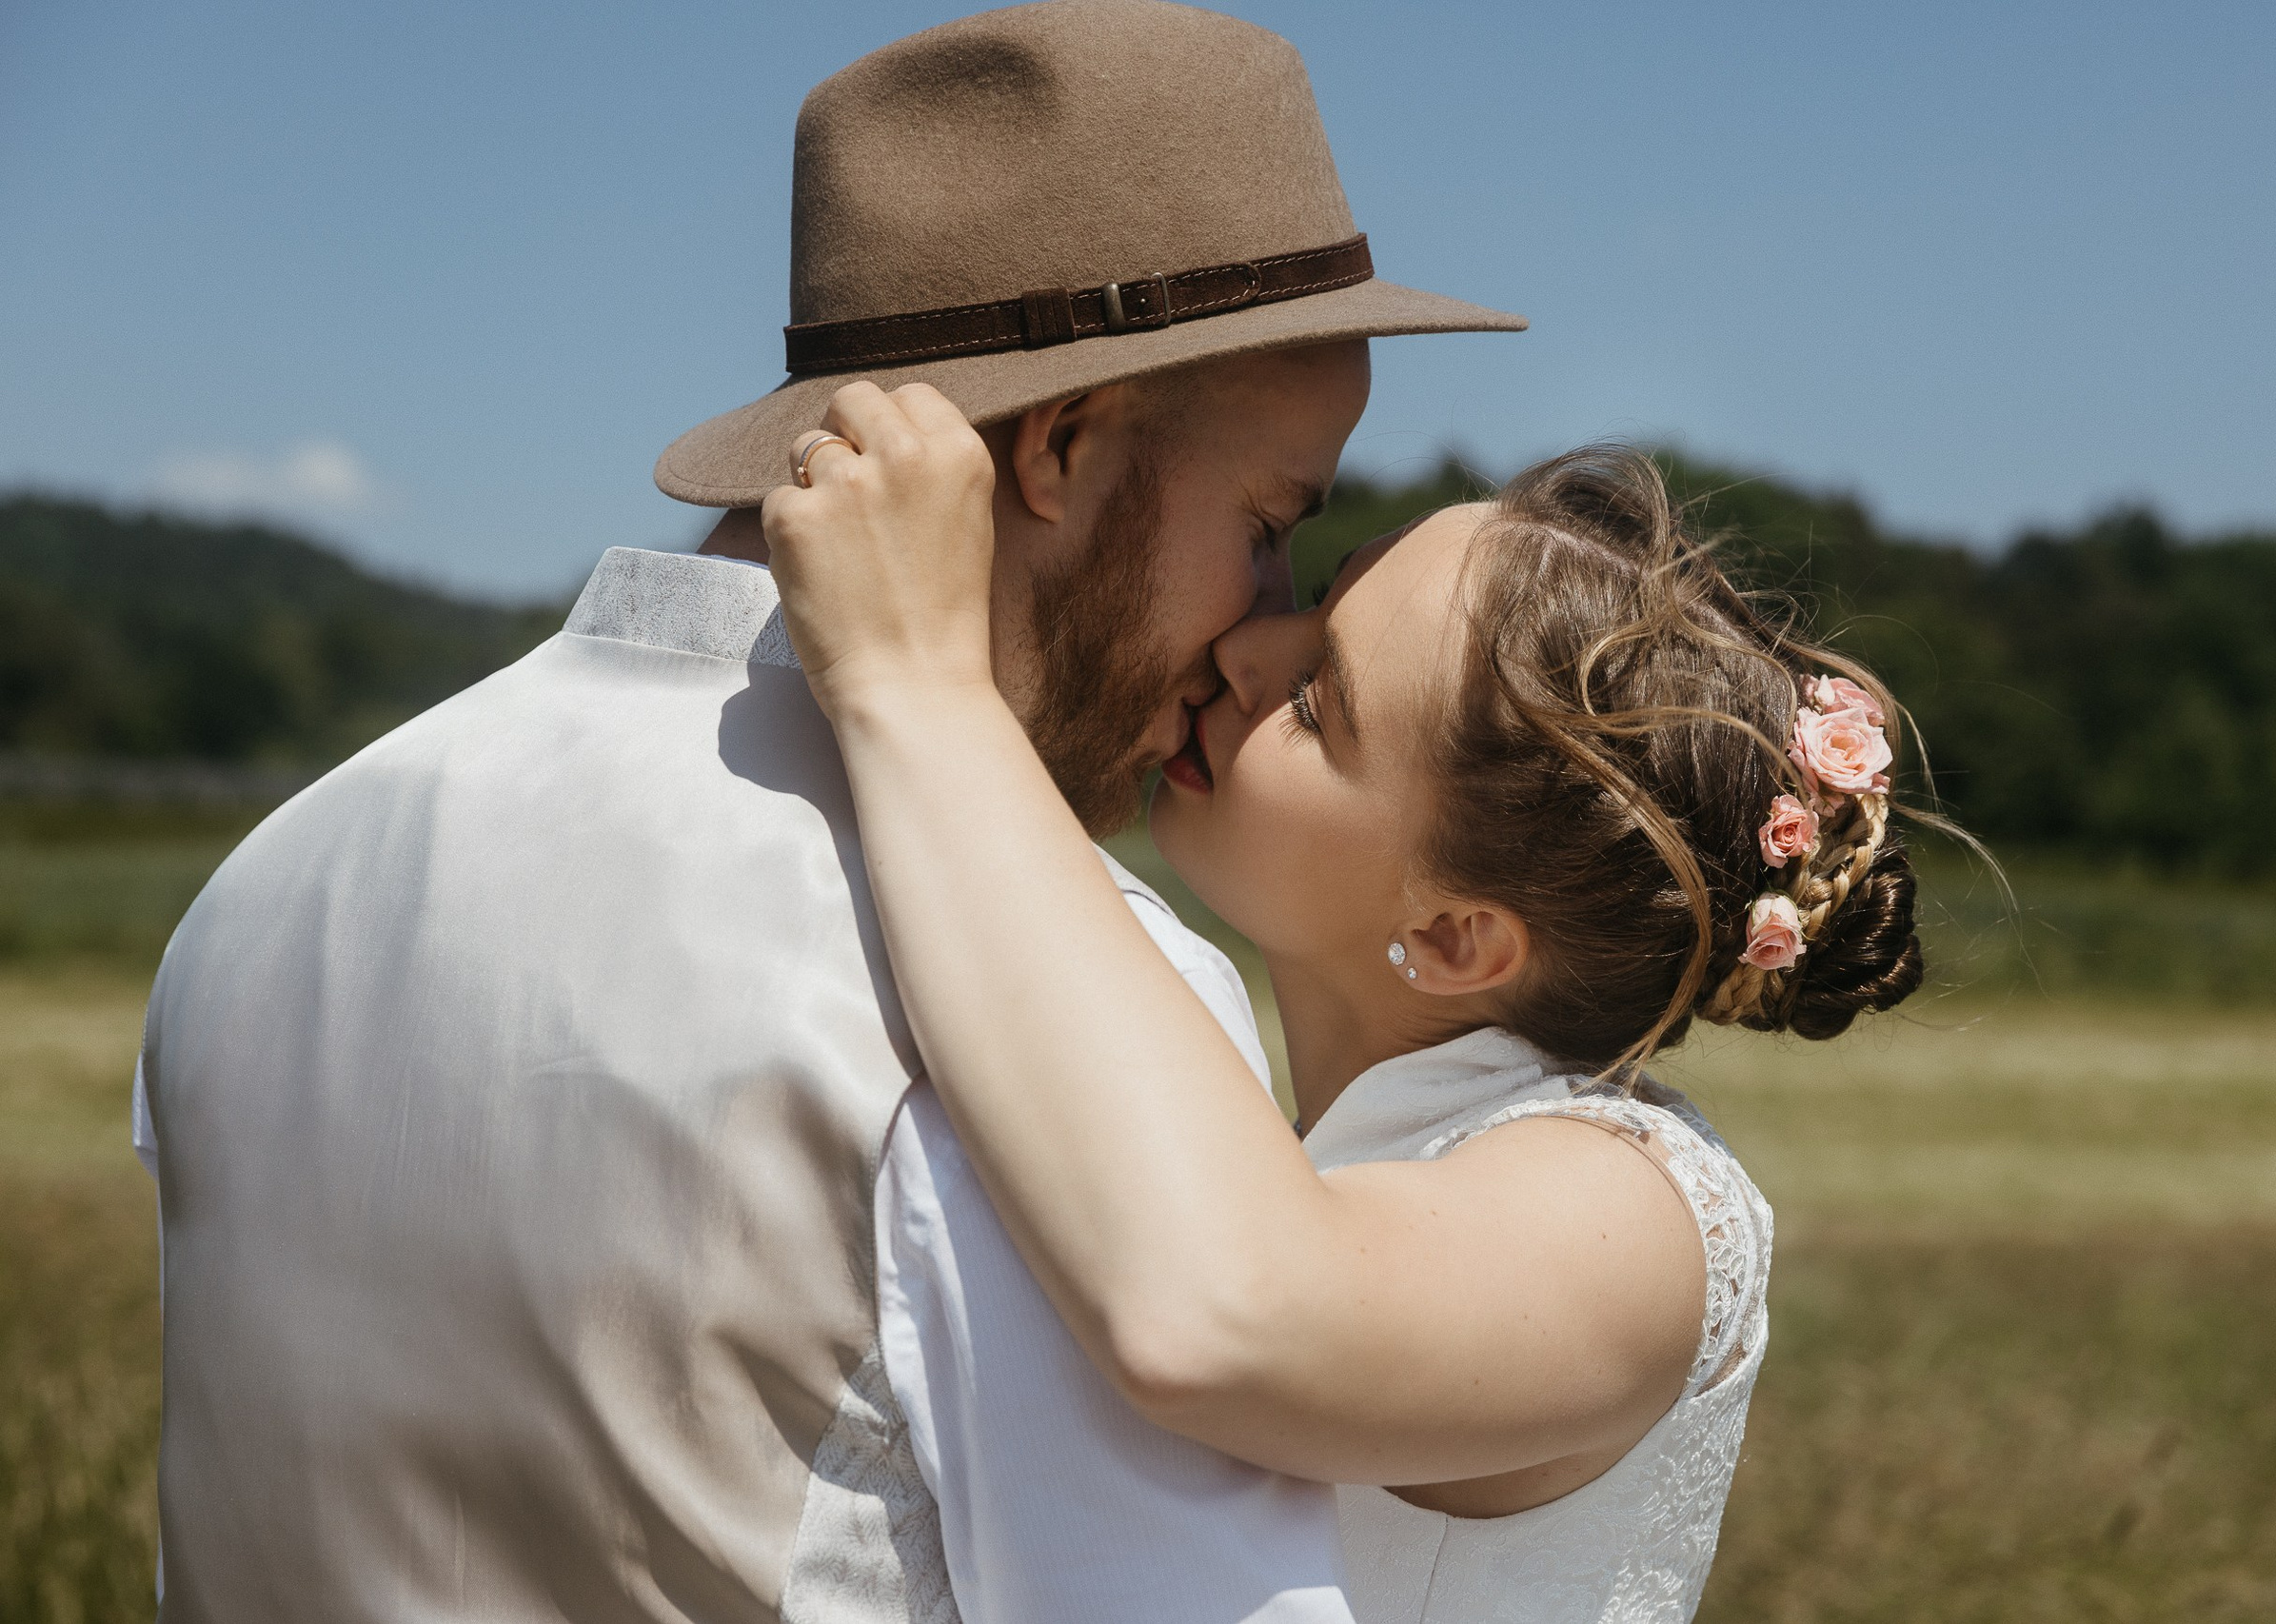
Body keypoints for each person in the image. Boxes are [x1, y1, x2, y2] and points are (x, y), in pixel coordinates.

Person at [129, 5, 1522, 1619]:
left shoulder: (268, 883)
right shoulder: (1044, 1014)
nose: (1261, 629)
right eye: (1269, 523)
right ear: (1065, 448)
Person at [756, 386, 1932, 1622]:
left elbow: (1221, 1314)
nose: (1247, 650)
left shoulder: (1637, 1216)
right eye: (1316, 593)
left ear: (1454, 933)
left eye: (1319, 701)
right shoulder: (1319, 1135)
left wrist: (919, 683)